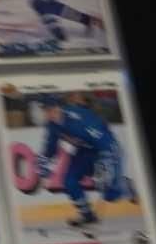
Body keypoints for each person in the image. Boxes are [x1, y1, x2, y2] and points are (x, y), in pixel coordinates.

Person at [37, 93, 129, 229]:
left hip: (106, 149)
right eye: (45, 110)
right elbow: (50, 149)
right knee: (69, 181)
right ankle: (87, 216)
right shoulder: (52, 125)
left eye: (51, 109)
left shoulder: (80, 119)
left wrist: (106, 162)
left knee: (111, 195)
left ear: (60, 108)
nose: (49, 114)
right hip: (83, 152)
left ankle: (126, 186)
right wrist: (44, 168)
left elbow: (106, 141)